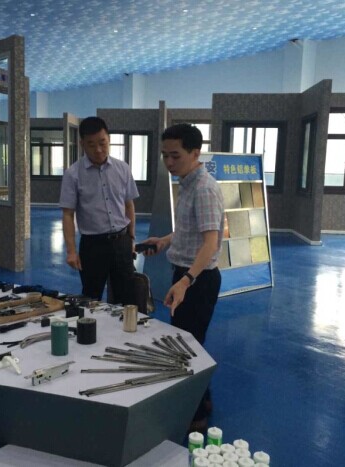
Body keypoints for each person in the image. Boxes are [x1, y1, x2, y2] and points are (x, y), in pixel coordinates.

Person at [142, 123, 225, 432]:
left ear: (195, 153)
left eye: (175, 156)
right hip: (187, 276)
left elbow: (210, 244)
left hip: (198, 280)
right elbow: (190, 230)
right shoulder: (187, 184)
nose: (169, 162)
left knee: (187, 348)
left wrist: (186, 281)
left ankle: (196, 416)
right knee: (189, 344)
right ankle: (204, 399)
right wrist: (165, 241)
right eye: (165, 155)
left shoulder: (204, 189)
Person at [59, 116, 139, 304]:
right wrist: (71, 251)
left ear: (109, 139)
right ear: (82, 144)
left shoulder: (123, 168)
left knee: (126, 297)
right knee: (91, 298)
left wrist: (131, 238)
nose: (98, 150)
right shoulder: (73, 174)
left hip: (122, 241)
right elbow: (68, 214)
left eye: (102, 143)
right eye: (91, 144)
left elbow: (129, 205)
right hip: (93, 246)